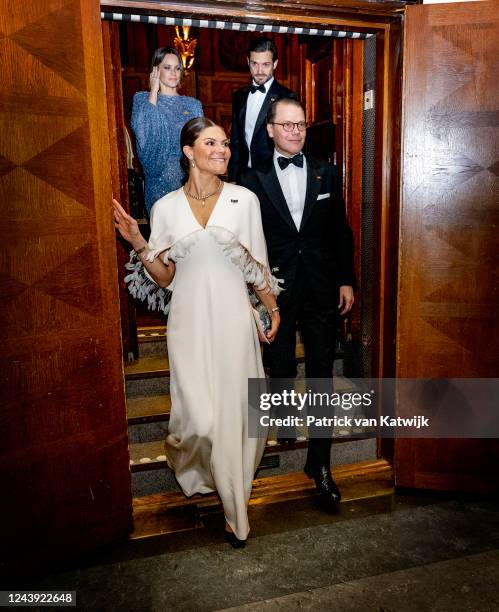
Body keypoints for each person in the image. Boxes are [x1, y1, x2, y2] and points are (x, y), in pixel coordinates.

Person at [113, 117, 281, 547]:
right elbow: (165, 278)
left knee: (233, 420)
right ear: (189, 151)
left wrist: (271, 310)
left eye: (225, 143)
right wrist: (138, 241)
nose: (223, 150)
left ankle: (235, 514)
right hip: (188, 324)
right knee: (200, 421)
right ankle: (193, 466)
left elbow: (256, 267)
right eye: (212, 143)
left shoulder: (245, 200)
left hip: (233, 323)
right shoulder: (166, 207)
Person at [240, 98, 355, 509]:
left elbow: (340, 231)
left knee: (323, 372)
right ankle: (285, 419)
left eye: (301, 124)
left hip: (323, 287)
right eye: (286, 125)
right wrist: (256, 289)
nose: (295, 131)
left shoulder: (327, 172)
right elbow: (246, 241)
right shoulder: (250, 179)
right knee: (282, 359)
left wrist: (345, 279)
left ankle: (320, 464)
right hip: (278, 288)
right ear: (269, 129)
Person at [131, 47, 203, 215]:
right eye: (167, 67)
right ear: (156, 70)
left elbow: (201, 145)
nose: (173, 73)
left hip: (190, 182)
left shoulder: (193, 105)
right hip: (158, 184)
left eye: (177, 68)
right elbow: (145, 138)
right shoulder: (142, 100)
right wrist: (154, 91)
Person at [228, 37, 297, 183]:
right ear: (248, 62)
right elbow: (235, 141)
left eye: (266, 64)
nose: (259, 71)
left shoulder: (287, 96)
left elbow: (292, 142)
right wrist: (233, 178)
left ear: (275, 64)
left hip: (274, 177)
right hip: (243, 177)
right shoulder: (239, 96)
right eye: (254, 64)